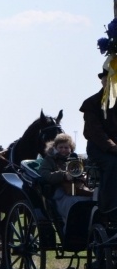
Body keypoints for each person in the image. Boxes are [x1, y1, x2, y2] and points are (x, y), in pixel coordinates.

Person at [81, 67, 117, 220]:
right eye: (107, 79)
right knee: (113, 164)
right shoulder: (92, 103)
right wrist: (112, 146)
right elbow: (95, 132)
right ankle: (109, 206)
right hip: (99, 148)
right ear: (102, 81)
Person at [38, 133, 92, 228]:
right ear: (55, 147)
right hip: (60, 192)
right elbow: (45, 174)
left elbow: (88, 171)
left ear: (71, 148)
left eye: (66, 147)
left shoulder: (78, 159)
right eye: (61, 147)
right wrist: (63, 175)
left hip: (79, 189)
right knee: (73, 203)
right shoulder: (50, 160)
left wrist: (84, 176)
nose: (63, 150)